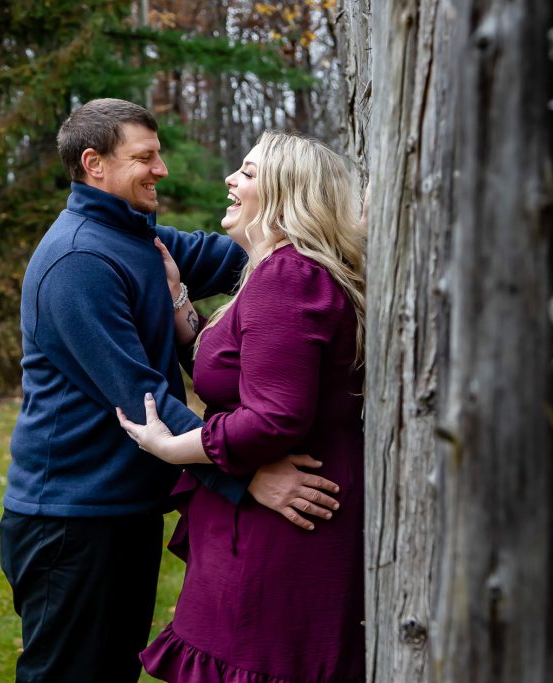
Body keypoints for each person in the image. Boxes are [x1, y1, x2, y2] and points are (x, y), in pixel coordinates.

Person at [0, 100, 344, 683]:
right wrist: (248, 473)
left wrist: (316, 219)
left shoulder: (140, 239)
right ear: (95, 164)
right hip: (72, 518)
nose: (162, 168)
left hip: (121, 510)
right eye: (145, 157)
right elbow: (141, 400)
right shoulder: (80, 259)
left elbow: (247, 249)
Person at [118, 130, 367, 683]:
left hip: (288, 528)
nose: (231, 179)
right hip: (276, 520)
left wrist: (169, 445)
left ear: (286, 194)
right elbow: (241, 369)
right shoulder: (279, 274)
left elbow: (275, 418)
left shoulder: (290, 276)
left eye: (249, 173)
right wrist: (181, 299)